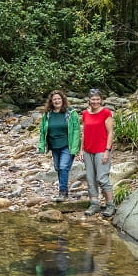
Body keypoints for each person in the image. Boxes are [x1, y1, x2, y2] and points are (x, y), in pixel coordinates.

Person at [37, 89, 81, 201]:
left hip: (67, 145)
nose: (57, 101)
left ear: (63, 100)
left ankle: (63, 192)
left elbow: (76, 130)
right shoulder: (47, 114)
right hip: (54, 146)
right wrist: (42, 145)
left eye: (59, 99)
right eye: (54, 99)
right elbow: (42, 130)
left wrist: (75, 148)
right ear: (51, 101)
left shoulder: (71, 113)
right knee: (58, 168)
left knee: (63, 167)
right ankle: (63, 191)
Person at [80, 88, 116, 217]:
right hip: (88, 150)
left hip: (101, 150)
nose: (95, 102)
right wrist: (81, 149)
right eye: (93, 99)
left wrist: (107, 150)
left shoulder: (106, 113)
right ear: (89, 100)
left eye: (97, 99)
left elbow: (110, 133)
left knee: (102, 178)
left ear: (101, 100)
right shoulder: (85, 113)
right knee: (90, 178)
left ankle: (110, 205)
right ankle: (94, 204)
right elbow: (84, 133)